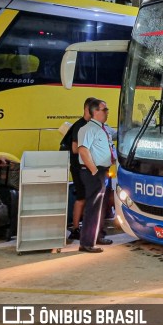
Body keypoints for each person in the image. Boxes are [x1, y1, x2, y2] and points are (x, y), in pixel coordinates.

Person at [77, 99, 116, 253]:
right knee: (93, 208)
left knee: (101, 207)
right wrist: (94, 171)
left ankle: (96, 236)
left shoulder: (103, 128)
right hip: (94, 173)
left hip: (103, 171)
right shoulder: (87, 129)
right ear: (95, 112)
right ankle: (86, 243)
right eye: (104, 109)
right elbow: (83, 150)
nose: (107, 112)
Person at [66, 96, 97, 241]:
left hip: (85, 166)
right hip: (79, 167)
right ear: (87, 109)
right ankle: (75, 229)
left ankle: (80, 227)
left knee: (86, 197)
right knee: (81, 198)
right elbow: (75, 148)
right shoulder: (80, 126)